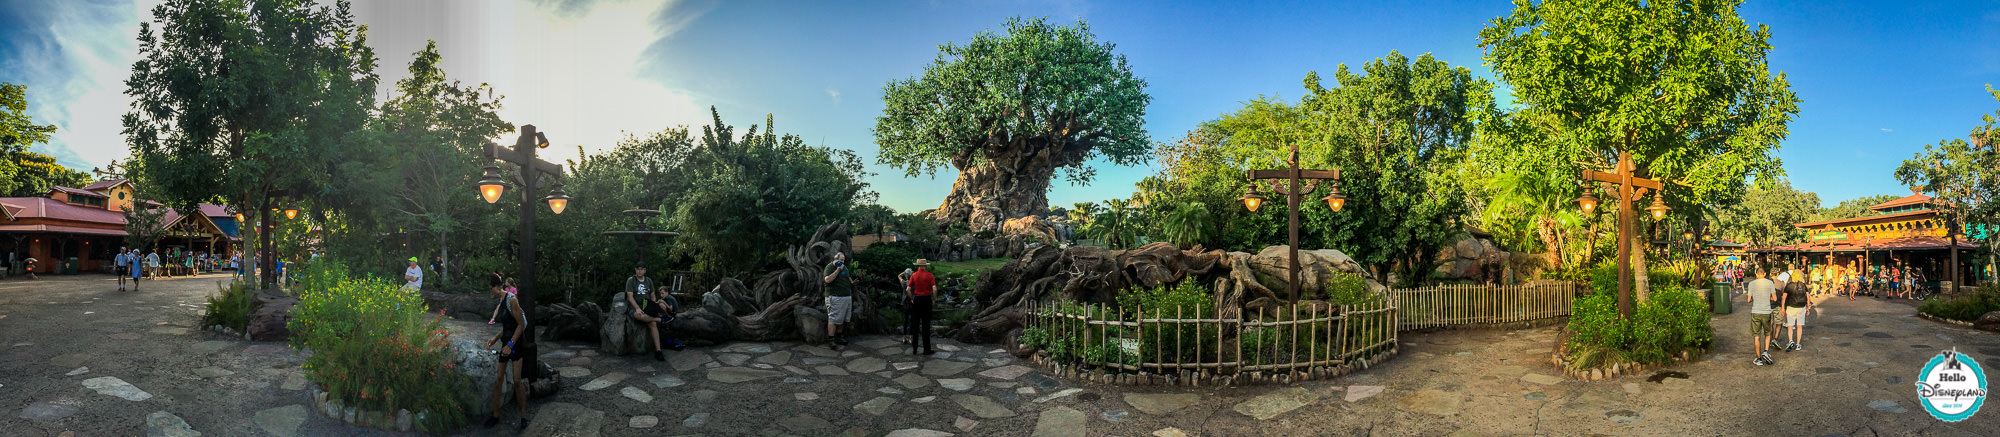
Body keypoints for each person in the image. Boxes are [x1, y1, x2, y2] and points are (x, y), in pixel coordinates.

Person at [482, 274, 533, 430]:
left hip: (515, 344)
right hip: (505, 343)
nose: (490, 292)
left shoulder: (511, 300)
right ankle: (495, 415)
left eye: (490, 288)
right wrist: (495, 339)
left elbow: (520, 324)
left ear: (496, 287)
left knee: (517, 381)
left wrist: (510, 344)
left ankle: (523, 416)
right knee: (498, 380)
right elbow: (506, 326)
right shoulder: (501, 300)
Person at [624, 264, 684, 361]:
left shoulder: (648, 281)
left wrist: (653, 306)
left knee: (652, 323)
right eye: (638, 269)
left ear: (645, 270)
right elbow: (630, 297)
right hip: (635, 306)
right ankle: (661, 319)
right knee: (638, 315)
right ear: (635, 270)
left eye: (642, 269)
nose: (639, 271)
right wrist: (637, 308)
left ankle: (658, 351)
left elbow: (652, 295)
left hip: (646, 305)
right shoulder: (631, 280)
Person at [821, 252, 854, 348]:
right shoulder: (830, 267)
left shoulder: (845, 267)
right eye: (841, 260)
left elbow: (847, 278)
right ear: (835, 259)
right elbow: (827, 280)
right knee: (833, 318)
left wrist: (853, 282)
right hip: (835, 297)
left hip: (846, 297)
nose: (842, 262)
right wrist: (837, 270)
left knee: (843, 318)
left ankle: (839, 337)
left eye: (843, 260)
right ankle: (831, 339)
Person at [906, 259, 937, 355]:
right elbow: (934, 289)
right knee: (926, 325)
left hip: (917, 299)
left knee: (915, 324)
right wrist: (934, 299)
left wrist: (912, 298)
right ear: (925, 266)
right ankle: (926, 349)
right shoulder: (929, 275)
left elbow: (908, 289)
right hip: (926, 299)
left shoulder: (914, 275)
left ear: (917, 266)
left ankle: (915, 348)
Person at [1747, 268, 1777, 366]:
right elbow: (1774, 298)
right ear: (1764, 274)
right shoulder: (1770, 283)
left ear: (1756, 275)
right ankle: (1766, 351)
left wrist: (1754, 299)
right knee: (1768, 333)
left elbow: (1748, 300)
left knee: (1757, 336)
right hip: (1766, 311)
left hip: (1756, 311)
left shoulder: (1751, 284)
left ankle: (1759, 358)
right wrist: (1767, 297)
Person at [1779, 266, 1811, 352]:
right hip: (1801, 307)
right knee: (1799, 326)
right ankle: (1798, 344)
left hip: (1791, 306)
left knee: (1790, 326)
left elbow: (1784, 297)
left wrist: (1783, 308)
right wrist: (1808, 308)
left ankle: (1790, 341)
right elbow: (1808, 296)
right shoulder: (1803, 285)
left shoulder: (1789, 285)